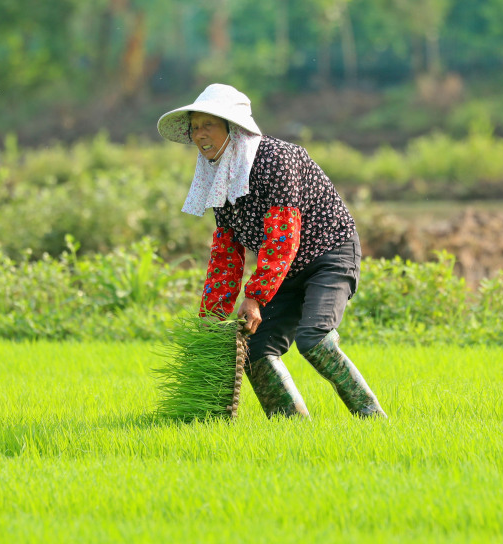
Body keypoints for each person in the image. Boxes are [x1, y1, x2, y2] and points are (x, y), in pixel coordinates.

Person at [157, 83, 386, 418]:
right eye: (194, 127)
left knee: (314, 338)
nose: (199, 134)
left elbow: (283, 239)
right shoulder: (220, 176)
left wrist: (255, 297)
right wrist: (212, 319)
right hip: (285, 272)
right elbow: (226, 255)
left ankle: (371, 418)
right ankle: (292, 431)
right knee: (254, 350)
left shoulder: (276, 159)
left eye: (208, 125)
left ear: (233, 128)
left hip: (328, 256)